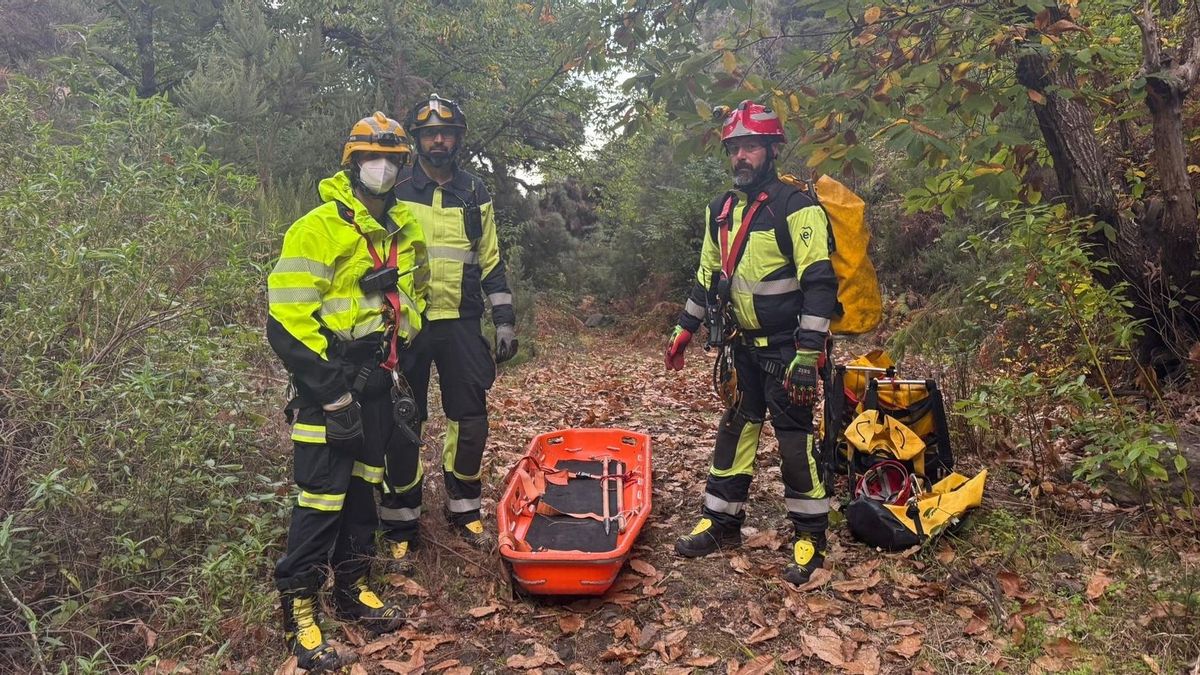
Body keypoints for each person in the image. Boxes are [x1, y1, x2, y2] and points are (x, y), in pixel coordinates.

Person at [266, 112, 426, 671]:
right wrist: (333, 396)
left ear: (403, 169)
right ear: (352, 164)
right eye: (368, 158)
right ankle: (300, 611)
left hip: (377, 380)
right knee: (321, 499)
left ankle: (351, 587)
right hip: (327, 386)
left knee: (364, 492)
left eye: (389, 158)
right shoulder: (318, 227)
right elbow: (285, 321)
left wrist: (399, 323)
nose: (379, 167)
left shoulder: (405, 231)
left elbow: (417, 301)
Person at [664, 100, 838, 586]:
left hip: (788, 351)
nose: (742, 157)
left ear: (771, 150)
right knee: (736, 430)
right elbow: (706, 276)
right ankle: (721, 522)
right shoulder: (720, 209)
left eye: (751, 147)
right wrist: (685, 328)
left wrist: (808, 352)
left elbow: (821, 284)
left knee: (794, 440)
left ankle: (810, 536)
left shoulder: (796, 207)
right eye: (735, 148)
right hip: (741, 348)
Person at [381, 94, 517, 568]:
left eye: (447, 132)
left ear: (458, 138)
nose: (438, 140)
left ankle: (464, 511)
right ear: (417, 140)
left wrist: (504, 321)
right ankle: (400, 521)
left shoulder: (475, 193)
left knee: (470, 420)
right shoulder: (395, 193)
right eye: (429, 133)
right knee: (402, 423)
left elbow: (492, 264)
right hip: (407, 327)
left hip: (461, 322)